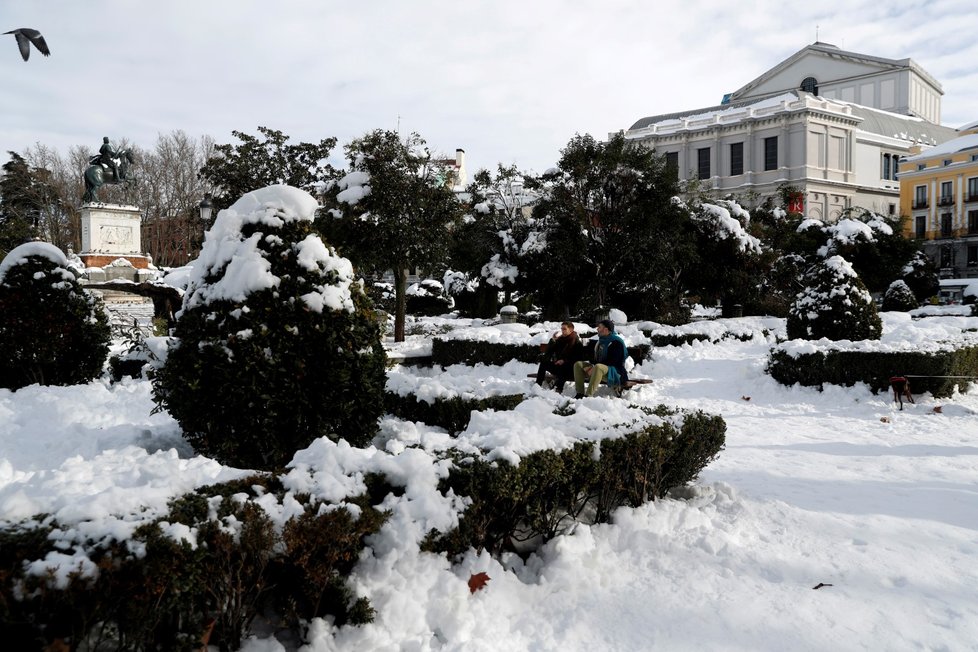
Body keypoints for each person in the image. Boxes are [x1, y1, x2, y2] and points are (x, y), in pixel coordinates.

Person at [573, 319, 629, 398]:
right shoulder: (601, 342)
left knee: (598, 367)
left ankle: (588, 395)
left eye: (599, 327)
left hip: (615, 373)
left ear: (606, 330)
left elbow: (613, 362)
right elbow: (595, 358)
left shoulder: (616, 342)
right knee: (578, 364)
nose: (597, 329)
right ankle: (580, 393)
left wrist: (594, 367)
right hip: (601, 369)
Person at [535, 321, 583, 393]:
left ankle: (558, 389)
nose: (562, 331)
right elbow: (549, 352)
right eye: (561, 329)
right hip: (558, 365)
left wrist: (564, 361)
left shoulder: (576, 341)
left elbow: (578, 358)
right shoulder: (560, 340)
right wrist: (553, 340)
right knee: (543, 364)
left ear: (571, 330)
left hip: (570, 368)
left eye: (564, 329)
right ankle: (537, 386)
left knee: (563, 367)